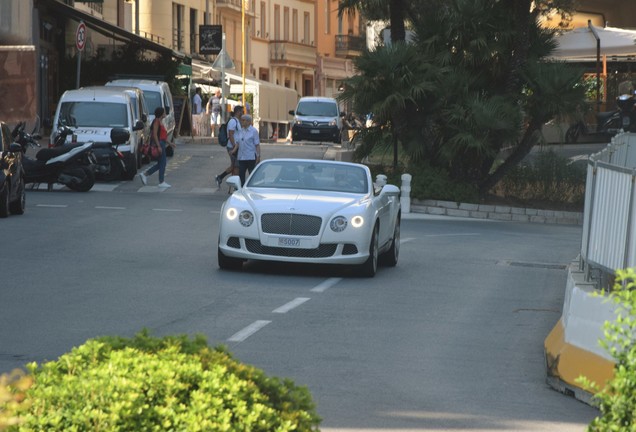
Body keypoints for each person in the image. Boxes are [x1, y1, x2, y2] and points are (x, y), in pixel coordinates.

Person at [139, 107, 171, 188]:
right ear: (161, 113)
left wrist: (170, 143)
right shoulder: (157, 121)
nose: (165, 113)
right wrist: (158, 146)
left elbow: (163, 136)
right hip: (160, 143)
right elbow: (155, 135)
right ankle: (161, 181)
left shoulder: (160, 121)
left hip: (162, 142)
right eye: (164, 112)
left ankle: (145, 174)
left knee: (160, 163)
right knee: (163, 163)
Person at [214, 105, 244, 188]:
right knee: (236, 166)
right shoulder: (233, 121)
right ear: (238, 112)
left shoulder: (237, 121)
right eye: (241, 111)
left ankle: (220, 177)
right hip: (232, 147)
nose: (242, 113)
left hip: (236, 147)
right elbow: (230, 134)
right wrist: (235, 146)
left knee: (234, 166)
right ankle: (236, 187)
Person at [234, 114, 261, 186]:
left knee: (252, 175)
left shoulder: (253, 131)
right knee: (241, 175)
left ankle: (252, 188)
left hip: (250, 157)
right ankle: (241, 188)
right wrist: (233, 150)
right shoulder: (240, 131)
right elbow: (238, 143)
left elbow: (257, 144)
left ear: (249, 122)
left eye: (243, 120)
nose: (242, 122)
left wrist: (258, 156)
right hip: (241, 157)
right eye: (241, 120)